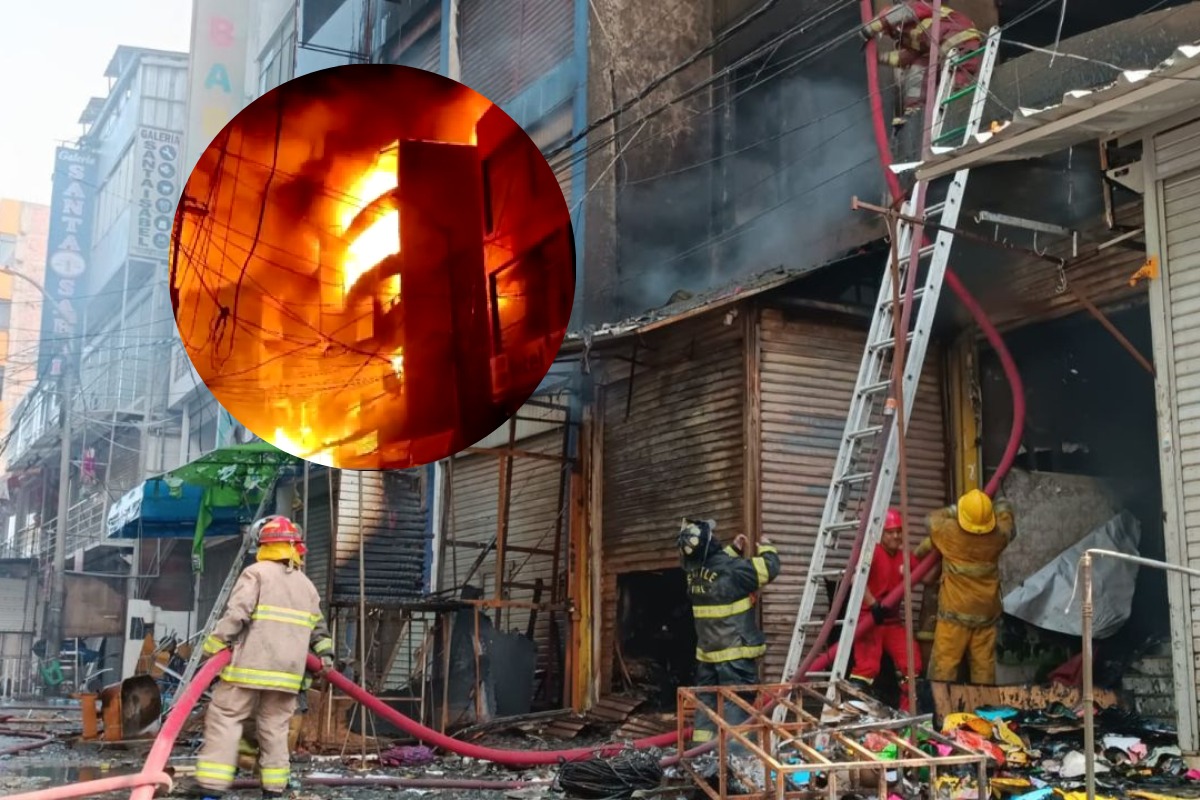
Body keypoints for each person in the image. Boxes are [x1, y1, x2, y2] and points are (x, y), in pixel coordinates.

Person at [173, 515, 335, 800]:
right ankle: (273, 790)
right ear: (294, 547)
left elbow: (237, 615)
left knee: (225, 716)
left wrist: (213, 647)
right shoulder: (306, 585)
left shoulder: (256, 574)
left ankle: (211, 786)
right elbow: (318, 629)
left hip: (249, 668)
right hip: (288, 675)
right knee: (275, 729)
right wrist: (326, 656)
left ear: (263, 545)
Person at [677, 518, 781, 752]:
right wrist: (767, 548)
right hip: (735, 654)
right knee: (737, 707)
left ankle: (701, 755)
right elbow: (769, 568)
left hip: (707, 655)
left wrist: (733, 550)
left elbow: (714, 567)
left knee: (706, 705)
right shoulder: (734, 571)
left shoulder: (692, 574)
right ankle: (736, 760)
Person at [916, 489, 1016, 685]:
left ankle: (938, 702)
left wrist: (953, 510)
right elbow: (1008, 525)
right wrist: (1001, 505)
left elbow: (930, 520)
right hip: (985, 613)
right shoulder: (998, 537)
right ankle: (983, 702)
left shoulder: (949, 532)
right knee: (983, 667)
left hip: (954, 613)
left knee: (944, 665)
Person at [849, 508, 931, 712]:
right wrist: (873, 604)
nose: (895, 536)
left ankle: (908, 712)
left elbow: (927, 577)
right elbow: (856, 579)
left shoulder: (905, 557)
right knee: (867, 667)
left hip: (892, 621)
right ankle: (854, 712)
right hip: (870, 618)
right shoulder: (872, 552)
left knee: (912, 662)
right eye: (890, 532)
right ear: (881, 533)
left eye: (898, 531)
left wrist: (943, 553)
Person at [859, 2, 985, 124]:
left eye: (888, 30)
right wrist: (879, 58)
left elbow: (902, 12)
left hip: (959, 39)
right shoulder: (912, 38)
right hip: (943, 52)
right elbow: (906, 57)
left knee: (958, 77)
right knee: (918, 67)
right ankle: (914, 111)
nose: (890, 33)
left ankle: (956, 102)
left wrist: (872, 27)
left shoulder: (918, 8)